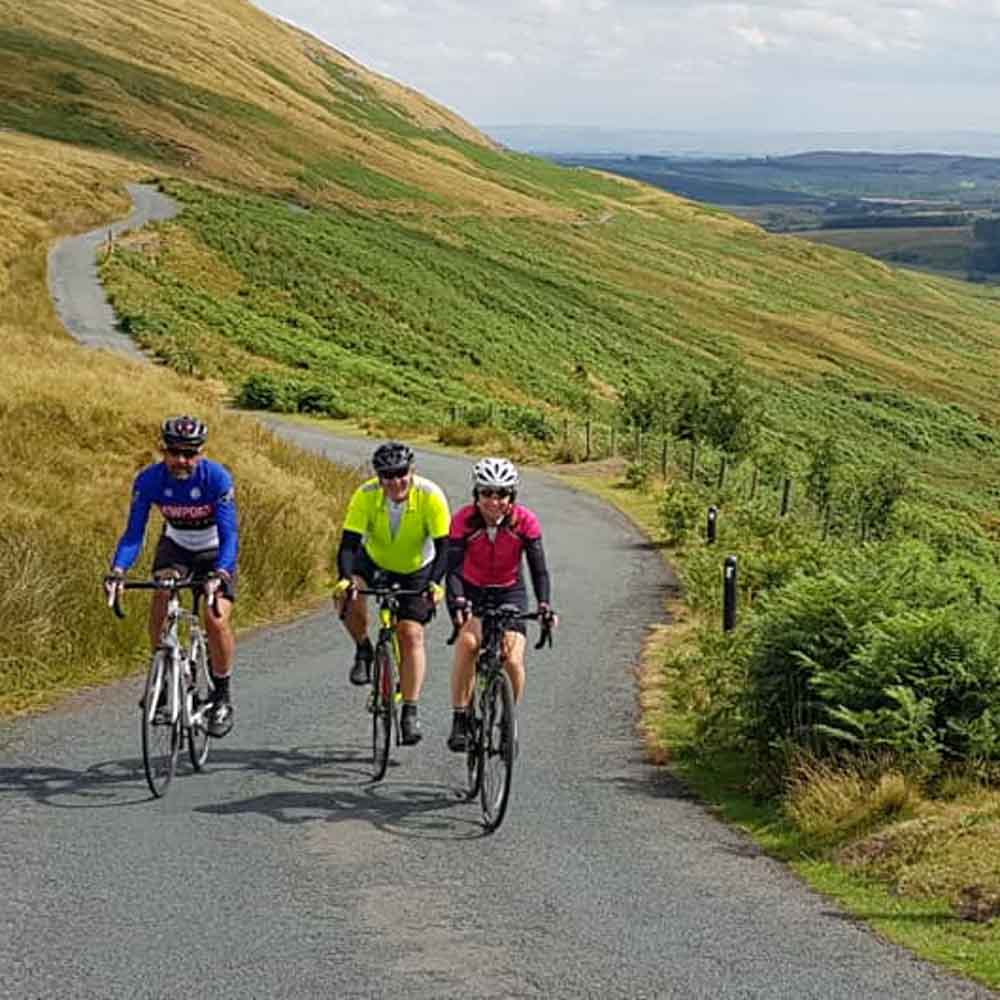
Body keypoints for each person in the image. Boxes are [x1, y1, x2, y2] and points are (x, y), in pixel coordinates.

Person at [103, 415, 239, 738]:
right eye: (175, 452)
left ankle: (221, 695)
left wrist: (221, 572)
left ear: (201, 453)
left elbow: (230, 533)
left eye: (190, 454)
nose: (182, 460)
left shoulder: (216, 478)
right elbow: (134, 534)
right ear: (163, 450)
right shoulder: (149, 480)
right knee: (162, 592)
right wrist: (118, 570)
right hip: (176, 545)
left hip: (215, 550)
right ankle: (162, 675)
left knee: (215, 617)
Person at [332, 441, 450, 746]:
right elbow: (348, 544)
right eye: (388, 476)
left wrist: (435, 583)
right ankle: (363, 648)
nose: (396, 482)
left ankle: (409, 710)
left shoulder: (430, 495)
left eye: (401, 474)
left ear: (412, 471)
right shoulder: (366, 495)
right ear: (378, 477)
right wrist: (347, 579)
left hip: (416, 567)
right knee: (347, 594)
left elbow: (445, 548)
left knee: (410, 635)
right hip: (374, 561)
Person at [445, 457, 556, 752]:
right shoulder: (463, 521)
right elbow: (452, 569)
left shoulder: (525, 522)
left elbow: (539, 569)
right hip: (471, 590)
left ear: (512, 496)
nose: (495, 501)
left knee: (512, 659)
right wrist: (457, 601)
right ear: (477, 494)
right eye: (487, 493)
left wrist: (544, 605)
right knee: (468, 643)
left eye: (502, 494)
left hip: (510, 592)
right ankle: (460, 717)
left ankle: (507, 721)